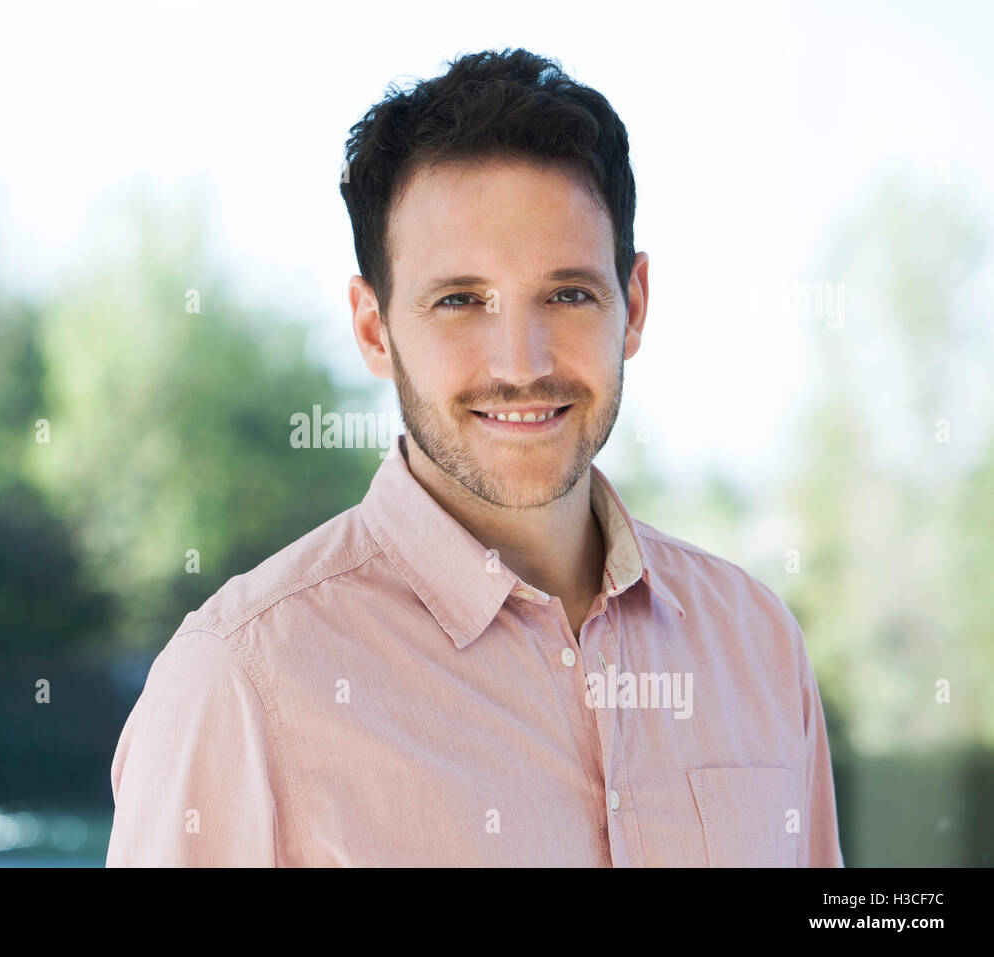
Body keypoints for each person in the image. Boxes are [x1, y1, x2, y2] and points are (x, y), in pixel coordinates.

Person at [106, 47, 844, 867]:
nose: (521, 362)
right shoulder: (235, 686)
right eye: (461, 300)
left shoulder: (757, 646)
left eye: (568, 294)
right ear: (373, 326)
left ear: (632, 306)